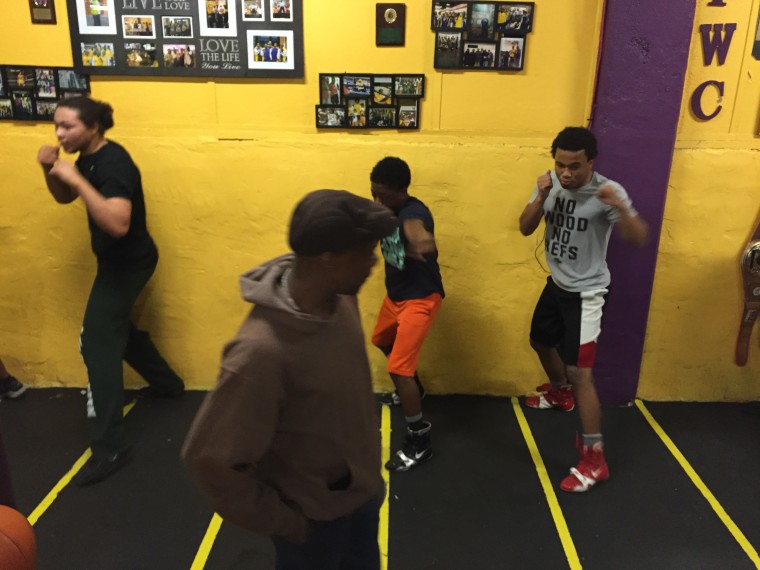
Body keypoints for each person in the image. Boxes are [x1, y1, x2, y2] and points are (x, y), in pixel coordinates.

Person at [182, 190, 396, 569]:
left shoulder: (341, 297)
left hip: (362, 498)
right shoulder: (259, 353)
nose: (374, 262)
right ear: (327, 258)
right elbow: (209, 461)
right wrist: (286, 523)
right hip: (314, 527)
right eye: (364, 252)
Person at [36, 97, 185, 486]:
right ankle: (168, 385)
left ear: (93, 128)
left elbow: (118, 224)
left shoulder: (113, 162)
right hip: (116, 264)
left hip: (128, 263)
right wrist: (51, 170)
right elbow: (65, 196)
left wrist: (76, 178)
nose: (60, 133)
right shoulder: (86, 156)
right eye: (57, 126)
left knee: (97, 342)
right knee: (116, 328)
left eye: (67, 126)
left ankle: (111, 446)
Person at [518, 126, 648, 493]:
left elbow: (638, 239)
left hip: (588, 294)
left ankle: (594, 459)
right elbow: (525, 228)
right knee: (540, 342)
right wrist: (541, 195)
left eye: (574, 166)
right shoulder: (549, 184)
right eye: (560, 164)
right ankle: (560, 395)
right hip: (557, 284)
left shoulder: (609, 191)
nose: (566, 174)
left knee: (581, 372)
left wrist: (620, 208)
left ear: (591, 161)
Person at [370, 157, 444, 472]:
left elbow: (416, 229)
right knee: (381, 339)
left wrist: (421, 241)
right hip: (397, 296)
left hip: (421, 298)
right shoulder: (382, 209)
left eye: (383, 196)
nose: (377, 201)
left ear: (402, 191)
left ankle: (419, 440)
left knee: (399, 368)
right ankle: (416, 390)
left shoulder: (414, 212)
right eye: (374, 193)